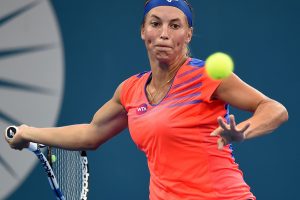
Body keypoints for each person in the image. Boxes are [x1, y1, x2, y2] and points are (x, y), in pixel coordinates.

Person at [5, 0, 288, 199]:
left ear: (187, 34)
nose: (164, 34)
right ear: (143, 31)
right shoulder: (130, 90)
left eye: (175, 26)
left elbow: (275, 109)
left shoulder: (205, 76)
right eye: (156, 24)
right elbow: (91, 133)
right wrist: (28, 133)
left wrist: (242, 132)